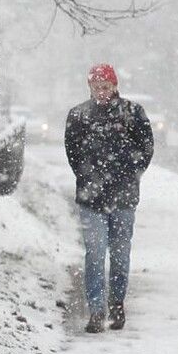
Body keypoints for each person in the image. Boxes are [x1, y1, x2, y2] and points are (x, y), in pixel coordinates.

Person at [64, 64, 154, 333]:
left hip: (124, 197)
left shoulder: (133, 113)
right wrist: (89, 176)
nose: (101, 92)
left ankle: (117, 303)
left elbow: (146, 148)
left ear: (114, 87)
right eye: (96, 87)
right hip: (91, 198)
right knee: (94, 252)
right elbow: (73, 152)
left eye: (105, 87)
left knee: (120, 253)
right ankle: (95, 309)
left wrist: (128, 174)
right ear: (90, 88)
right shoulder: (79, 115)